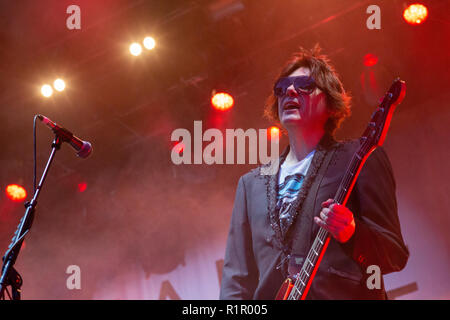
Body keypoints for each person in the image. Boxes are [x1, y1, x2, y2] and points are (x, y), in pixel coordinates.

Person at [219, 45, 409, 300]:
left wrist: (353, 232)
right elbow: (237, 281)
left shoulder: (361, 157)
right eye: (281, 87)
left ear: (331, 102)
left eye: (305, 85)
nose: (289, 90)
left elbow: (394, 255)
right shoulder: (250, 184)